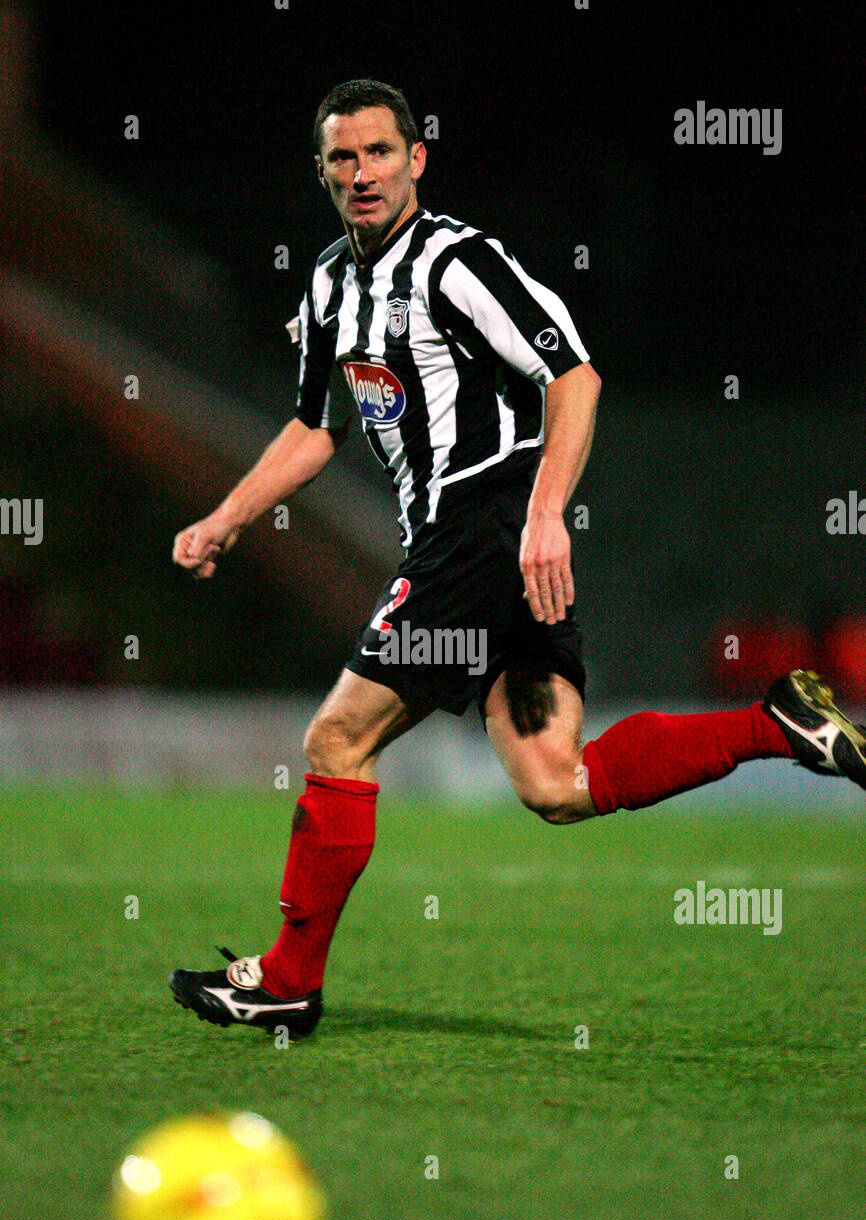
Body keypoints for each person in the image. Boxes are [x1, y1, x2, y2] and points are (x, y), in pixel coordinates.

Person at [169, 79, 865, 1039]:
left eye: (379, 152)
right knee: (555, 784)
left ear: (417, 159)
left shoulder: (458, 262)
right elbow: (314, 428)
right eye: (342, 157)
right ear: (322, 172)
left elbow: (574, 377)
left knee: (338, 741)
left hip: (484, 530)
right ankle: (773, 719)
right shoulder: (330, 283)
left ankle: (288, 978)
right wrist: (227, 517)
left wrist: (544, 515)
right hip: (479, 549)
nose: (361, 172)